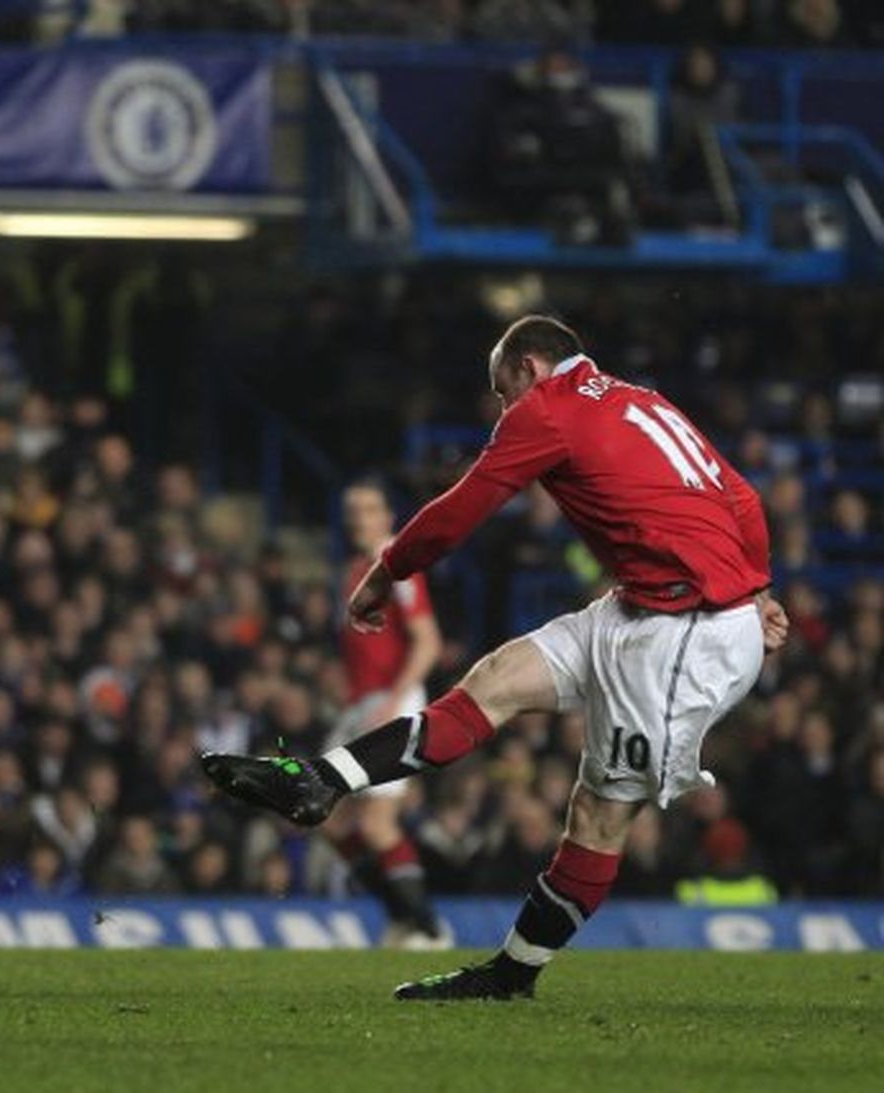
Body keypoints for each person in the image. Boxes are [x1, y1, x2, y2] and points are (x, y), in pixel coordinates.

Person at [203, 315, 789, 1000]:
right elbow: (741, 498)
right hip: (648, 604)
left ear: (532, 367)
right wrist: (759, 586)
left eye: (501, 388)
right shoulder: (638, 398)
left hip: (690, 633)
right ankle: (318, 781)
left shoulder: (547, 410)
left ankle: (512, 975)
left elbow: (462, 508)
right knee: (495, 680)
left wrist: (386, 570)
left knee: (600, 816)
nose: (501, 407)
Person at [325, 480, 446, 949]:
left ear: (388, 515)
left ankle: (429, 928)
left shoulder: (397, 564)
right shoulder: (353, 570)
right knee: (323, 817)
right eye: (352, 509)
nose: (359, 517)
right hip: (362, 704)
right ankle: (401, 915)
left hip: (391, 701)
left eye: (369, 508)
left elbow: (428, 640)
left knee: (377, 823)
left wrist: (397, 702)